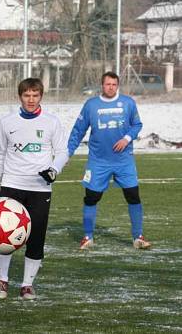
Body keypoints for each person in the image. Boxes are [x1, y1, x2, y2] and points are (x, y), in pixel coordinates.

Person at [0, 78, 68, 300]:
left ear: (41, 96)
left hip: (40, 189)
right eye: (27, 95)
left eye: (35, 95)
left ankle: (27, 285)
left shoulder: (52, 122)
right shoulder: (7, 122)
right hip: (12, 185)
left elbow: (63, 151)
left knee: (36, 237)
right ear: (20, 96)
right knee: (3, 235)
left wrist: (54, 170)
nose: (31, 100)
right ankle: (2, 280)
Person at [68, 71, 151, 250]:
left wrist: (127, 139)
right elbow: (78, 130)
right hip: (98, 161)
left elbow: (137, 125)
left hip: (124, 161)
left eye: (114, 84)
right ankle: (87, 237)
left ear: (117, 85)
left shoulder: (128, 103)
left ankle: (138, 237)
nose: (111, 87)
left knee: (133, 196)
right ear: (102, 85)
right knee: (91, 198)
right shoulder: (91, 105)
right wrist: (68, 152)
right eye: (107, 84)